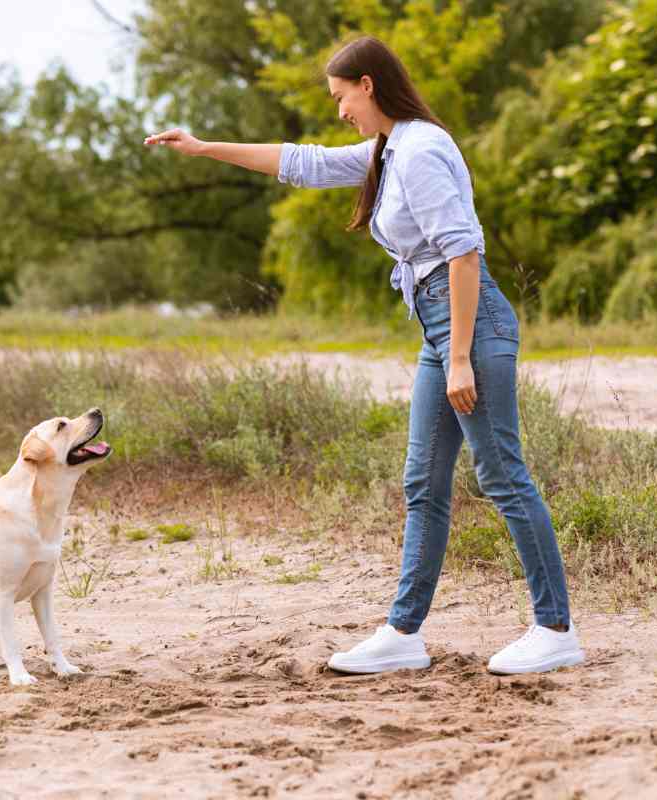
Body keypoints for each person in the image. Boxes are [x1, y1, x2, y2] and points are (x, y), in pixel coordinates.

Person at [143, 36, 584, 676]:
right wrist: (205, 147)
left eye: (341, 96)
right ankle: (404, 633)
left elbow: (463, 254)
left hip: (468, 322)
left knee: (503, 477)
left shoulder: (423, 149)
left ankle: (554, 629)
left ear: (368, 85)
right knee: (423, 484)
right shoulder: (391, 149)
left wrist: (459, 356)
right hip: (440, 326)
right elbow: (306, 164)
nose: (340, 109)